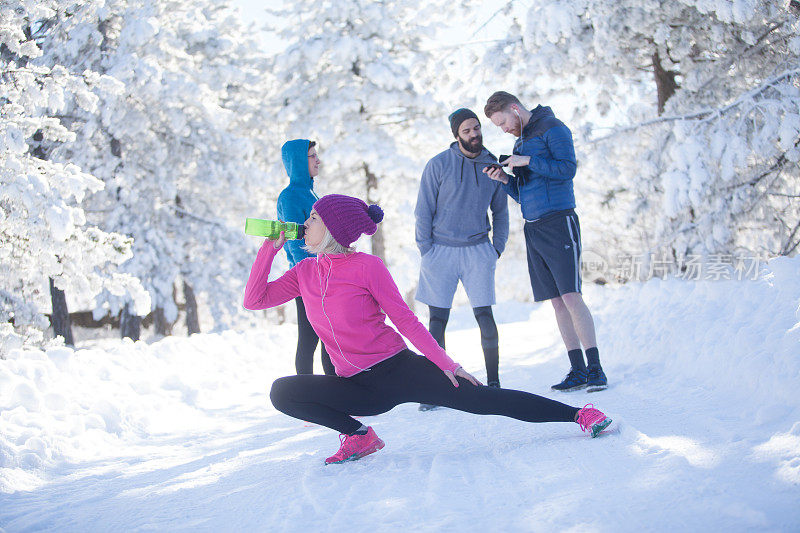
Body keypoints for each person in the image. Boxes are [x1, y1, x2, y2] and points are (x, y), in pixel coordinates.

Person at [243, 193, 612, 465]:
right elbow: (255, 299)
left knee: (481, 400)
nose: (305, 223)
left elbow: (406, 321)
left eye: (313, 218)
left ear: (333, 229)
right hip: (355, 386)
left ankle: (578, 414)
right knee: (283, 392)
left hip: (398, 371)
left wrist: (447, 366)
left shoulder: (367, 267)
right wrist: (269, 250)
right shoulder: (305, 272)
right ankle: (358, 436)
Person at [482, 91, 608, 393]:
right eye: (498, 127)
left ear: (514, 109)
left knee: (571, 295)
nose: (504, 129)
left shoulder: (554, 127)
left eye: (503, 122)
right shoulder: (520, 143)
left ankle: (596, 369)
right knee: (556, 300)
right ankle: (577, 369)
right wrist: (504, 180)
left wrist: (527, 160)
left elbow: (567, 169)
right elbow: (524, 192)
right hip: (533, 227)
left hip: (559, 221)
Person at [414, 108, 508, 410]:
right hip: (439, 251)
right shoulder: (439, 164)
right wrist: (425, 249)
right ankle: (437, 387)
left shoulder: (492, 165)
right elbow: (423, 209)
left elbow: (501, 211)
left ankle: (493, 385)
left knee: (485, 316)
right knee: (437, 320)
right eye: (467, 130)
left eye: (477, 128)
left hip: (478, 250)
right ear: (457, 135)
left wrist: (496, 248)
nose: (474, 134)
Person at [276, 139, 335, 376]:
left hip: (324, 273)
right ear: (300, 162)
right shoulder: (289, 196)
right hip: (308, 278)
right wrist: (313, 274)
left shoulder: (310, 192)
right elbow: (295, 242)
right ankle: (305, 396)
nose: (318, 160)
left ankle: (334, 393)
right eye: (312, 156)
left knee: (328, 336)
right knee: (310, 338)